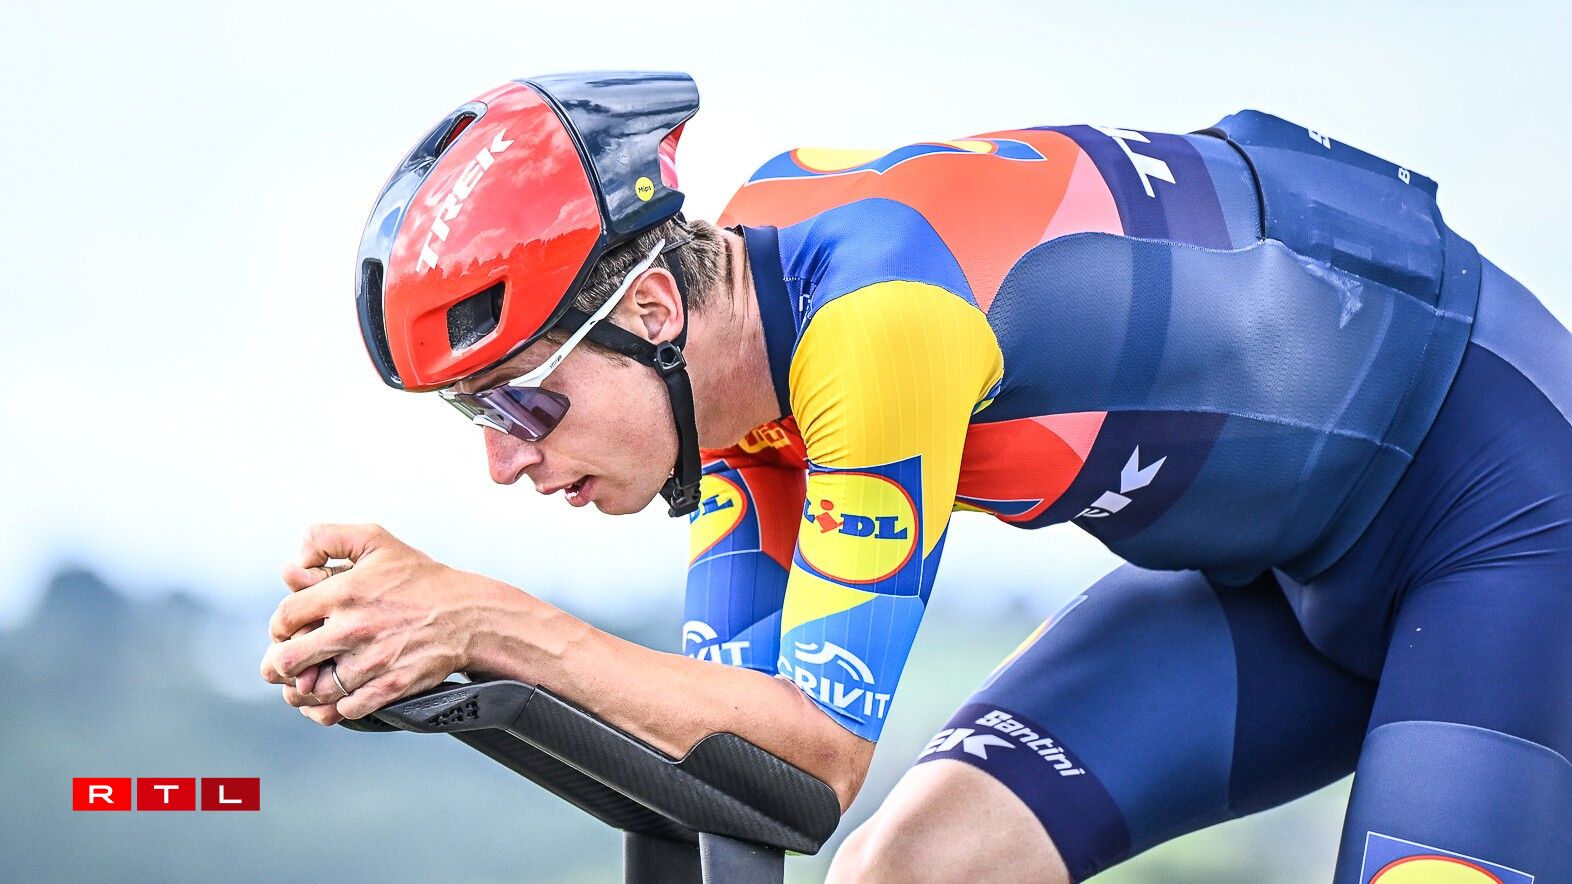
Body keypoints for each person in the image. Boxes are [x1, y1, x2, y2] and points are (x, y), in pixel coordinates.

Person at [260, 72, 1572, 882]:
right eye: (475, 418)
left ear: (653, 308)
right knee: (912, 873)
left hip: (1496, 521)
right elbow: (737, 785)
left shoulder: (878, 321)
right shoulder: (739, 390)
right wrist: (464, 680)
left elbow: (819, 759)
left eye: (520, 398)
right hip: (1269, 581)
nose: (505, 460)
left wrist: (485, 623)